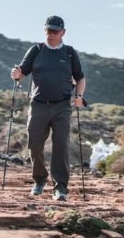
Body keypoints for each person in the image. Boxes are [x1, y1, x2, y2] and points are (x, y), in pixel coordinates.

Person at [10, 15, 86, 201]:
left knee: (61, 145)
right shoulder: (36, 50)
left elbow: (80, 78)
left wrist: (79, 96)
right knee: (34, 145)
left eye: (55, 31)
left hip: (62, 106)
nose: (51, 34)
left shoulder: (69, 53)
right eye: (48, 30)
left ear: (63, 33)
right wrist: (16, 74)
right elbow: (22, 72)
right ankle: (39, 180)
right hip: (38, 105)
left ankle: (60, 187)